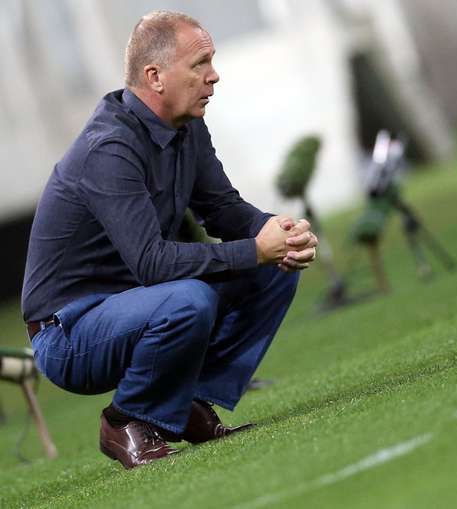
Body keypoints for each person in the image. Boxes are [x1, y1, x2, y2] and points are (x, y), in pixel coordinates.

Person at [21, 10, 318, 469]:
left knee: (273, 274)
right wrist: (254, 249)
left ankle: (188, 405)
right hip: (69, 333)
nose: (214, 76)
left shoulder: (187, 126)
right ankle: (125, 420)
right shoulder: (110, 147)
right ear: (155, 76)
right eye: (200, 63)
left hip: (139, 301)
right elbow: (153, 264)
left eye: (212, 61)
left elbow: (223, 210)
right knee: (189, 300)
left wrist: (277, 233)